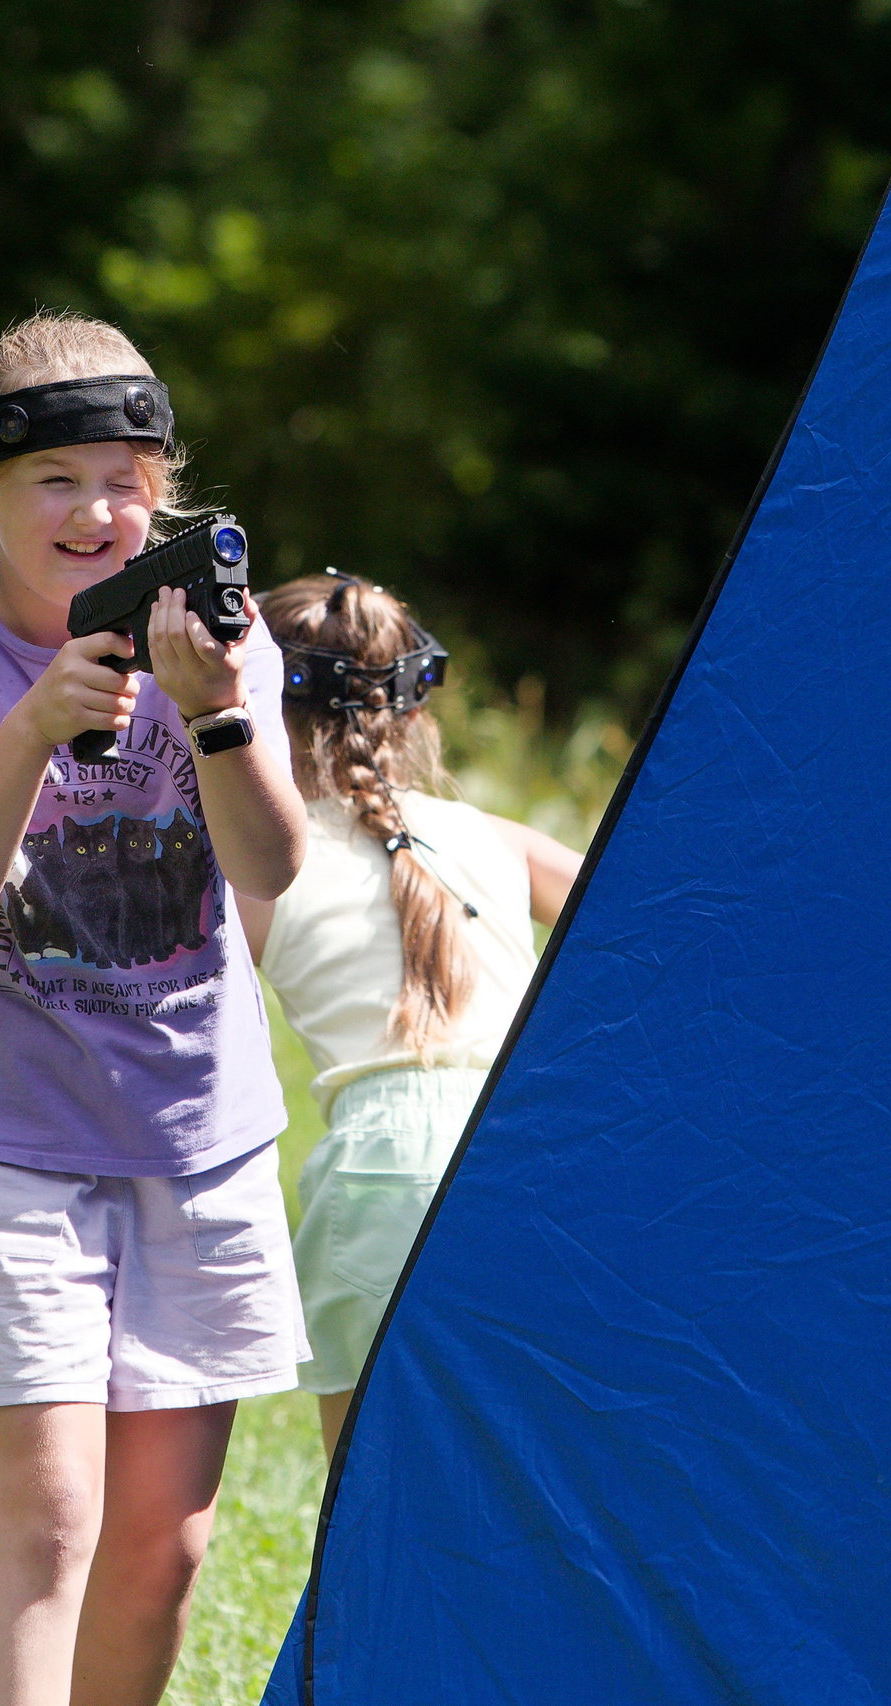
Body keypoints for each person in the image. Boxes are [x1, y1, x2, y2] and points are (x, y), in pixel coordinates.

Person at [0, 310, 309, 1706]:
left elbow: (271, 864)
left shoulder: (222, 637)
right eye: (55, 479)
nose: (95, 512)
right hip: (3, 1135)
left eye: (125, 480)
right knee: (49, 1521)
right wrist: (34, 726)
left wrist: (217, 710)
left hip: (198, 1132)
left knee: (164, 1548)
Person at [240, 572, 581, 1456]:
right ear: (416, 709)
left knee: (371, 1490)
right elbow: (644, 935)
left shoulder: (260, 874)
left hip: (378, 1173)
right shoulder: (500, 839)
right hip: (531, 1155)